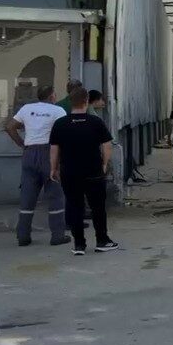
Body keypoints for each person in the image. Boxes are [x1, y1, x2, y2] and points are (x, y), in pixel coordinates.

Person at [49, 88, 118, 255]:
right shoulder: (95, 122)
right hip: (93, 170)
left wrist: (53, 168)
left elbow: (54, 149)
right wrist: (104, 164)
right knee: (98, 207)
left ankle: (79, 244)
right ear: (86, 101)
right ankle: (102, 240)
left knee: (74, 206)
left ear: (71, 102)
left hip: (70, 172)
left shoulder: (60, 123)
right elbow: (107, 145)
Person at [5, 85, 70, 247]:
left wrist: (21, 143)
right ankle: (57, 235)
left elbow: (9, 127)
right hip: (49, 153)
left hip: (30, 153)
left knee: (28, 195)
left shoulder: (27, 109)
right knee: (55, 195)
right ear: (52, 96)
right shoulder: (58, 111)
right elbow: (65, 132)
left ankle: (23, 236)